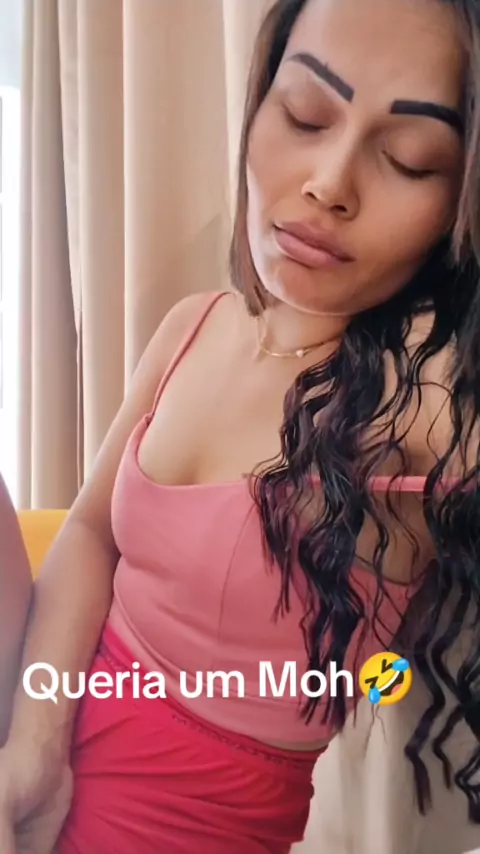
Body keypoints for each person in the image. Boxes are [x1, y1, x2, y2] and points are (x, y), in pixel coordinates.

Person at [0, 0, 479, 851]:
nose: (329, 183)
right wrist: (35, 749)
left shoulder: (421, 400)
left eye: (410, 159)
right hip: (42, 724)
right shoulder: (196, 324)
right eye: (305, 114)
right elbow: (91, 533)